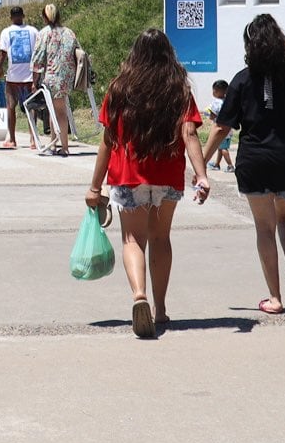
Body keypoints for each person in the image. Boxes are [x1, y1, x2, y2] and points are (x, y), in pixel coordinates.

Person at [85, 29, 211, 338]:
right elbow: (190, 134)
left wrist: (94, 186)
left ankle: (138, 294)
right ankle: (161, 308)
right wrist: (202, 173)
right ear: (169, 55)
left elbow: (107, 141)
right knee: (161, 238)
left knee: (132, 240)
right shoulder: (178, 89)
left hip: (129, 175)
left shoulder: (119, 89)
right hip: (167, 175)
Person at [206, 14, 285, 316]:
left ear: (250, 45)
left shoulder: (242, 79)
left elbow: (222, 128)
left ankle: (274, 298)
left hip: (254, 162)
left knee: (265, 227)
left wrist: (201, 163)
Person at [32, 3, 79, 156]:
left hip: (51, 77)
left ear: (45, 17)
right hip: (66, 77)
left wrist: (34, 81)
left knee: (53, 112)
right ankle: (63, 145)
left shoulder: (44, 33)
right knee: (61, 112)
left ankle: (55, 144)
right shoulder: (69, 33)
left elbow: (38, 60)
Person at [0, 6, 37, 150]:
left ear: (10, 17)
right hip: (30, 77)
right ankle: (33, 139)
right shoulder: (33, 31)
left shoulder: (6, 32)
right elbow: (38, 52)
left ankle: (12, 139)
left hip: (13, 77)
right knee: (31, 108)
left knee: (10, 107)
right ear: (23, 15)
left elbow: (1, 55)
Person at [204, 79, 233, 171]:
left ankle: (230, 166)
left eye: (214, 90)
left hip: (219, 128)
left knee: (223, 148)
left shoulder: (216, 102)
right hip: (228, 129)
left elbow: (213, 116)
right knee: (220, 148)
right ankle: (217, 164)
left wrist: (208, 114)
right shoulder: (227, 101)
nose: (213, 92)